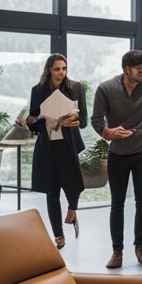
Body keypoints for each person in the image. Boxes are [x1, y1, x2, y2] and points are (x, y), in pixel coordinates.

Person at [91, 49, 142, 269]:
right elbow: (96, 120)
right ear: (126, 70)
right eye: (139, 67)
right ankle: (117, 252)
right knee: (117, 204)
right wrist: (107, 133)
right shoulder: (106, 88)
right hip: (118, 155)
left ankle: (140, 248)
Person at [26, 54, 86, 250]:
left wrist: (73, 121)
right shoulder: (38, 90)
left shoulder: (76, 88)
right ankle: (59, 236)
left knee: (72, 182)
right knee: (51, 191)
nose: (61, 72)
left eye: (64, 68)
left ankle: (72, 209)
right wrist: (53, 121)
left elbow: (83, 121)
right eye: (57, 69)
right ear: (49, 70)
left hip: (69, 143)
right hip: (48, 144)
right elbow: (33, 120)